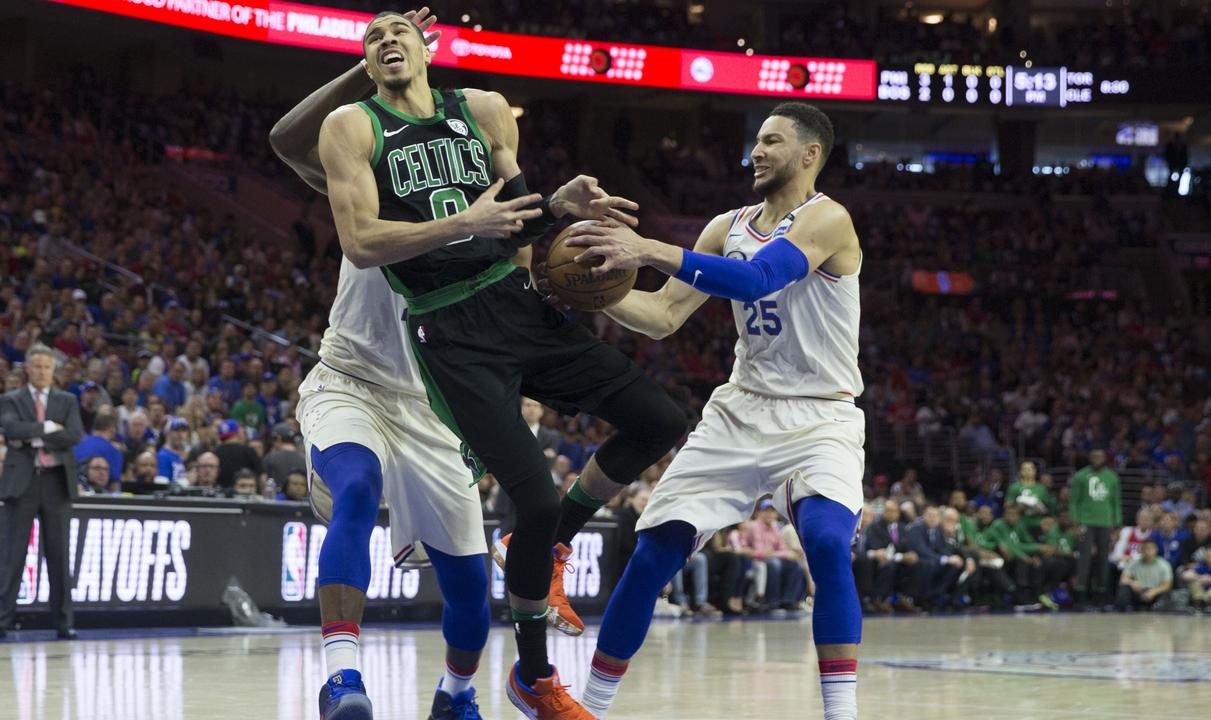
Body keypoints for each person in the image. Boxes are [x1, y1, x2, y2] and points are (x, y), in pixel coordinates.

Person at [272, 10, 672, 717]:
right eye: (376, 36)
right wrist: (369, 68)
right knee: (358, 491)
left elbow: (518, 241)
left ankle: (455, 696)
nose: (389, 43)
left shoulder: (477, 138)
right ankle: (342, 680)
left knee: (467, 588)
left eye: (402, 34)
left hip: (440, 395)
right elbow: (286, 140)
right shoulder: (361, 162)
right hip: (355, 380)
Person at [562, 102, 865, 720]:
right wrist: (588, 289)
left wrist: (646, 248)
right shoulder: (725, 225)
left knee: (829, 547)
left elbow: (756, 281)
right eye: (756, 140)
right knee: (652, 554)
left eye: (772, 142)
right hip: (739, 410)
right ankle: (590, 708)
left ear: (810, 154)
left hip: (820, 416)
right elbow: (663, 317)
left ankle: (843, 714)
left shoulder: (828, 218)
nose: (756, 151)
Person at [0, 344, 85, 640]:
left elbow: (73, 435)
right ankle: (2, 621)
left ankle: (64, 623)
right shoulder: (11, 399)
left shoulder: (68, 400)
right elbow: (11, 429)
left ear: (53, 370)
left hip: (55, 482)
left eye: (47, 368)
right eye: (37, 367)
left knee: (59, 556)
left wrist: (33, 437)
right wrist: (48, 428)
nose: (43, 372)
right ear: (27, 369)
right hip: (22, 483)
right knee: (12, 555)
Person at [1070, 448, 1121, 607]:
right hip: (1086, 521)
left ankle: (1101, 593)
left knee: (1103, 559)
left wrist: (1117, 525)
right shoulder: (1080, 476)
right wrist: (1076, 523)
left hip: (1105, 522)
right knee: (1084, 559)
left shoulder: (1112, 477)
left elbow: (1116, 502)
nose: (1097, 458)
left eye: (1100, 456)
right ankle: (1081, 593)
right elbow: (1074, 502)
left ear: (1105, 457)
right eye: (1093, 456)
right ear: (1089, 457)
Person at [73, 411, 123, 485]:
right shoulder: (113, 450)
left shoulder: (75, 445)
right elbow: (114, 483)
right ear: (112, 429)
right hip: (99, 494)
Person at [155, 417, 190, 486]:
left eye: (183, 431)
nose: (180, 435)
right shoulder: (163, 456)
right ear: (167, 433)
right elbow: (162, 485)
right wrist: (187, 481)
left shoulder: (181, 456)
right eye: (176, 430)